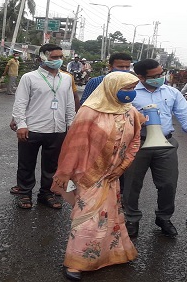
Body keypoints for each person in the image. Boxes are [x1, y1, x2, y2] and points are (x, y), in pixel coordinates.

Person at [51, 72, 144, 281]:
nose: (130, 93)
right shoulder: (89, 112)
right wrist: (66, 173)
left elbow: (135, 141)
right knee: (87, 219)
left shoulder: (131, 112)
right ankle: (75, 262)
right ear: (111, 87)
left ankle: (110, 254)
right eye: (126, 88)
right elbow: (73, 146)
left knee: (109, 215)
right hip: (88, 174)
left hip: (112, 175)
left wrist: (123, 166)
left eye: (132, 88)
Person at [123, 59, 187, 238]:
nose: (160, 78)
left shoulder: (172, 92)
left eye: (161, 74)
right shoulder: (129, 93)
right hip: (137, 144)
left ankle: (164, 218)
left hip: (166, 144)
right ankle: (131, 219)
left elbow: (185, 114)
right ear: (140, 76)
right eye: (154, 76)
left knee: (168, 184)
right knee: (132, 184)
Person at [11, 44, 75, 209]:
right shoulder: (29, 78)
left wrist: (71, 126)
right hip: (32, 128)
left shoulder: (66, 78)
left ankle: (46, 194)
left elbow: (69, 105)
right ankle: (25, 194)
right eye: (54, 57)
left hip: (57, 129)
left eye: (61, 57)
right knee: (26, 163)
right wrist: (21, 125)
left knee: (52, 165)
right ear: (43, 57)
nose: (58, 60)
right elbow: (20, 103)